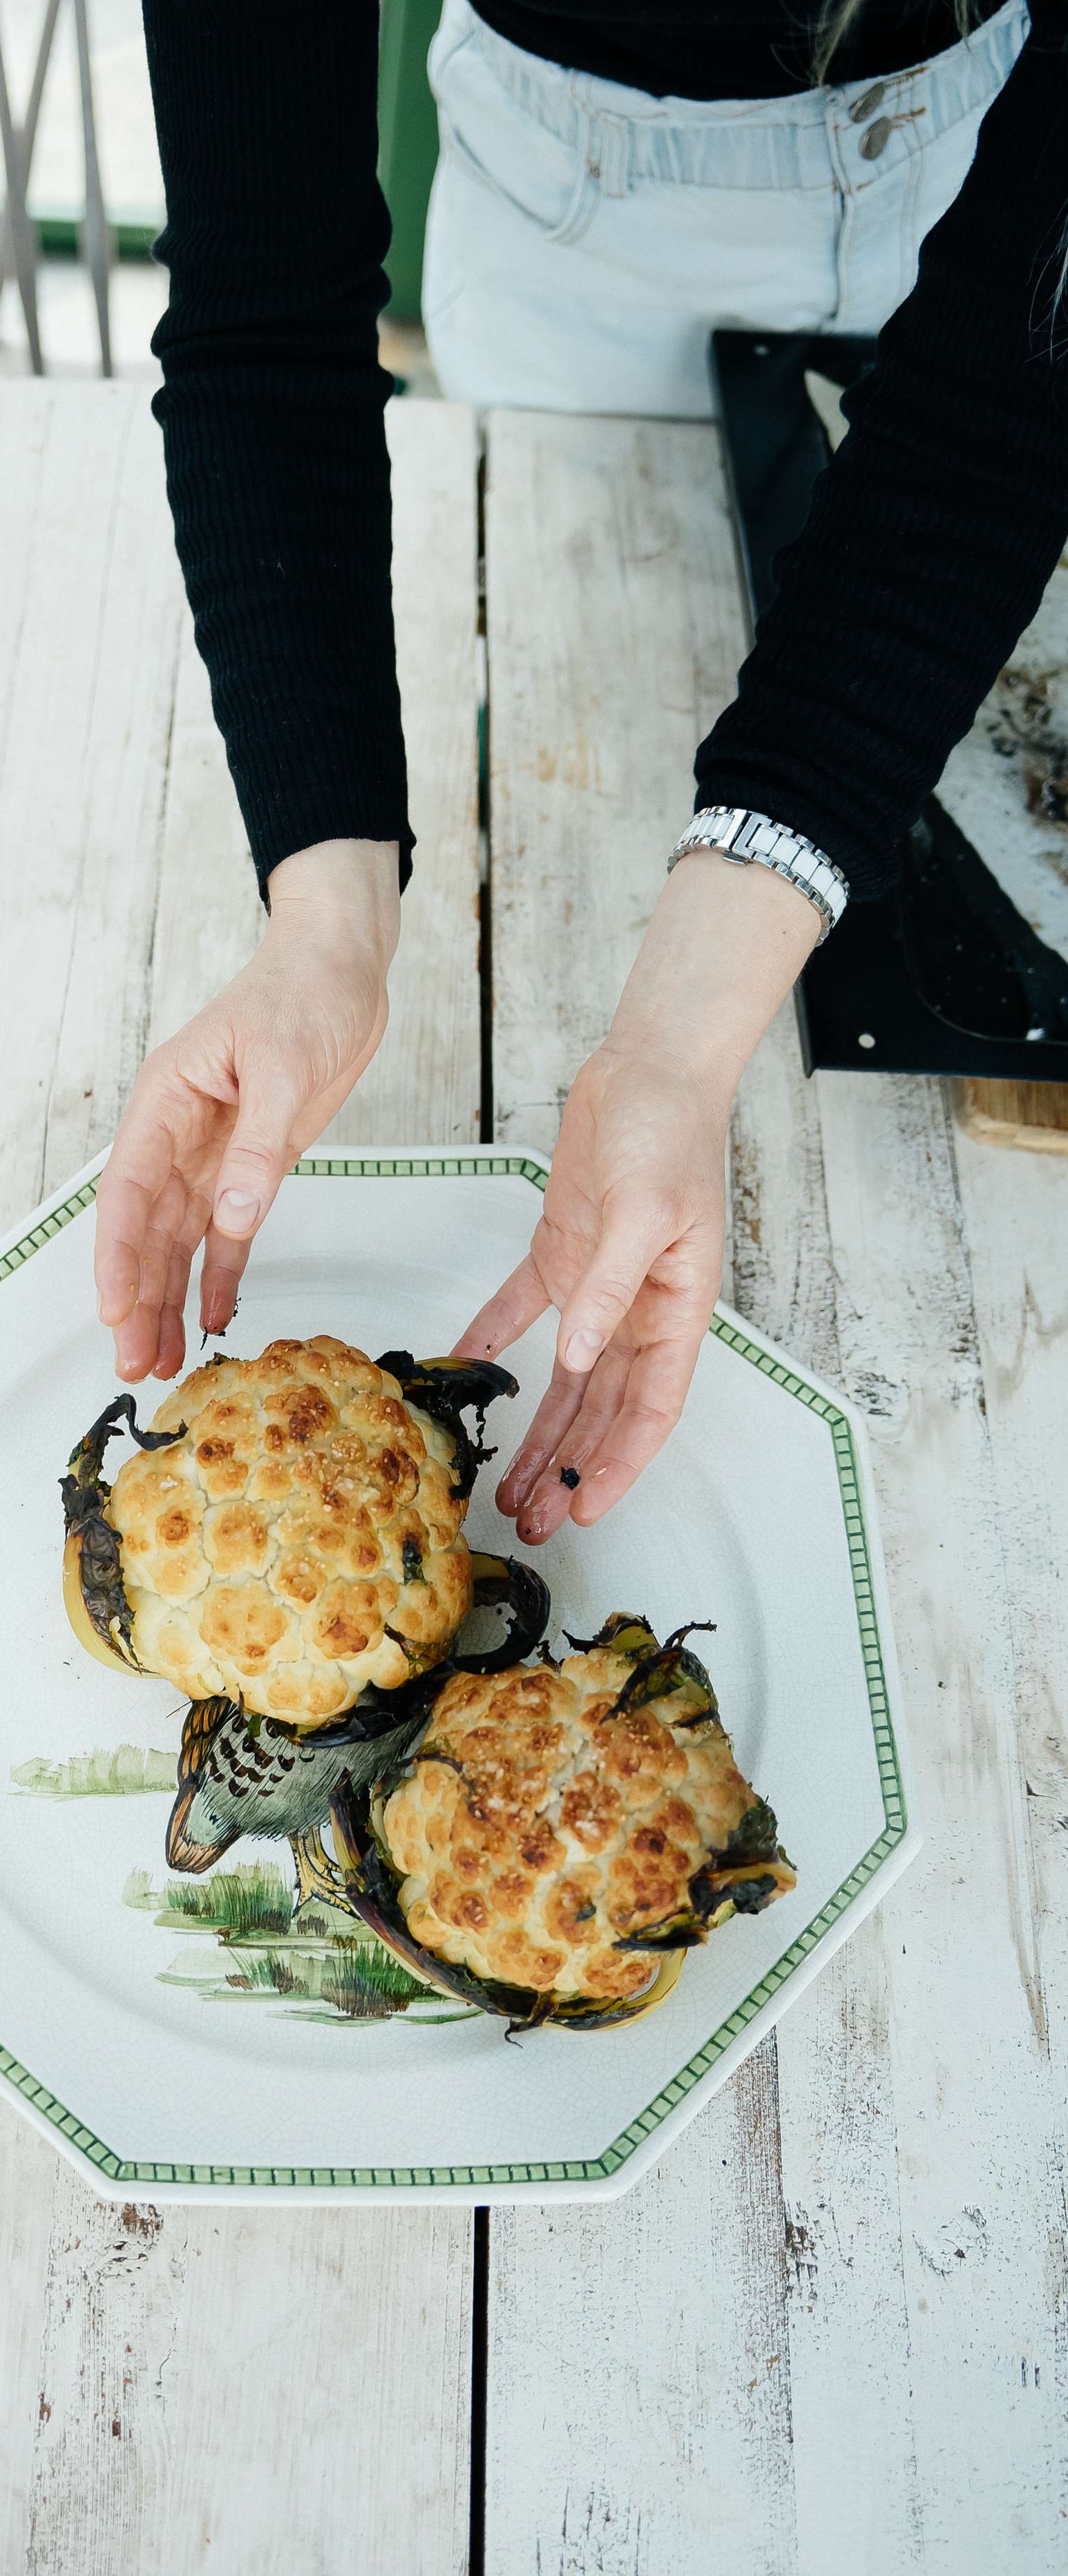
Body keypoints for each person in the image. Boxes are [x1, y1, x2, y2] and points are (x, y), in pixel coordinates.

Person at [93, 0, 1068, 1546]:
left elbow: (996, 413)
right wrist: (323, 922)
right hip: (569, 210)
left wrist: (674, 1047)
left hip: (986, 170)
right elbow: (262, 306)